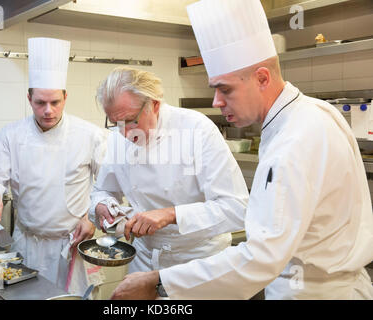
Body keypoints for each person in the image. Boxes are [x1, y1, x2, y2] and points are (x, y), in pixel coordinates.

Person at [110, 0, 373, 300]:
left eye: (225, 89)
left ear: (262, 78)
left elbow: (261, 256)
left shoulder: (295, 139)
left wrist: (159, 282)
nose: (216, 102)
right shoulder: (314, 113)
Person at [0, 37, 107, 294]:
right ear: (29, 98)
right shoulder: (11, 135)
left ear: (65, 97)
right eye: (40, 103)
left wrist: (91, 219)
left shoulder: (90, 135)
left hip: (73, 246)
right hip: (27, 246)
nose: (48, 110)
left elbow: (110, 188)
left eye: (55, 102)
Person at [89, 66, 249, 276]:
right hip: (144, 259)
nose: (124, 132)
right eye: (115, 123)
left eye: (131, 121)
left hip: (198, 262)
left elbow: (237, 208)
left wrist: (171, 215)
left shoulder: (196, 130)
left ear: (154, 105)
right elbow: (103, 190)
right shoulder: (119, 137)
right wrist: (101, 205)